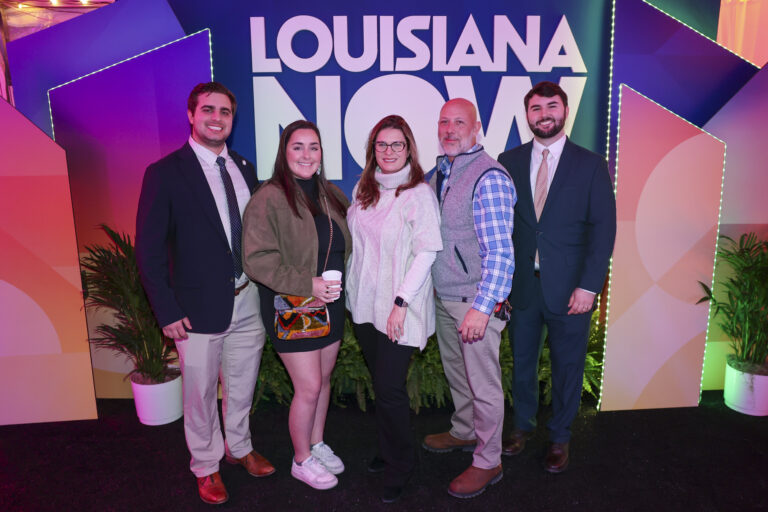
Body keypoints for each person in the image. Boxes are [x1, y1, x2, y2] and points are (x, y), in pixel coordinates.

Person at [135, 82, 274, 506]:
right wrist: (166, 309)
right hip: (193, 310)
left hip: (248, 298)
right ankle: (205, 466)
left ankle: (238, 446)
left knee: (241, 383)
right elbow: (149, 250)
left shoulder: (245, 168)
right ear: (191, 115)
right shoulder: (164, 173)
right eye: (208, 110)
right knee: (197, 394)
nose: (217, 118)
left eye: (225, 112)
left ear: (233, 119)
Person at [497, 81, 616, 473]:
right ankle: (521, 427)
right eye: (535, 108)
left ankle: (561, 437)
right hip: (524, 289)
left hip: (571, 291)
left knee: (568, 367)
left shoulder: (591, 164)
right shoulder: (508, 160)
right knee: (523, 363)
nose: (543, 113)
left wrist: (588, 287)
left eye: (551, 106)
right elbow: (504, 227)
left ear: (564, 111)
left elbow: (603, 230)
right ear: (527, 115)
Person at [242, 120, 351, 491]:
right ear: (284, 153)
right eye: (298, 147)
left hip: (331, 304)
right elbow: (256, 260)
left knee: (322, 382)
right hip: (292, 308)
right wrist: (309, 284)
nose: (307, 154)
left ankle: (317, 444)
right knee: (307, 386)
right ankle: (301, 459)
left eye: (314, 147)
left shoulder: (331, 194)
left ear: (322, 154)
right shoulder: (268, 197)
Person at [346, 115, 442, 503]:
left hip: (399, 308)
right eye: (381, 145)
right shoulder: (364, 188)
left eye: (396, 145)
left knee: (389, 390)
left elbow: (427, 253)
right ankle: (387, 451)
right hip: (365, 307)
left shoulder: (418, 193)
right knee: (382, 386)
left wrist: (401, 302)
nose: (388, 152)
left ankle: (402, 464)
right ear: (373, 151)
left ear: (409, 150)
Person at [423, 98, 516, 498]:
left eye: (459, 122)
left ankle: (488, 459)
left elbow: (501, 252)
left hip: (474, 300)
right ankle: (464, 430)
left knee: (483, 383)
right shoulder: (439, 171)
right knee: (458, 374)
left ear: (476, 128)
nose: (450, 129)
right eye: (444, 122)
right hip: (446, 296)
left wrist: (482, 307)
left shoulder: (488, 176)